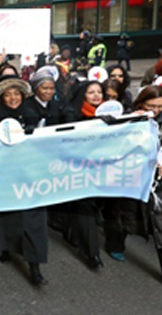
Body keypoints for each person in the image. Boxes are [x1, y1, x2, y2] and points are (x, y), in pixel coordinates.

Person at [103, 85, 162, 289]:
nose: (155, 110)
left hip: (160, 182)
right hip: (131, 178)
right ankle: (114, 244)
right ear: (140, 103)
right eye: (151, 106)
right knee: (124, 215)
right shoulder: (126, 118)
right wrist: (130, 122)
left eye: (160, 106)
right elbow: (110, 145)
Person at [0, 75, 48, 286]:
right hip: (4, 174)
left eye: (16, 94)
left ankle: (35, 267)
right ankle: (5, 248)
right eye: (8, 94)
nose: (13, 98)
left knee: (33, 219)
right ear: (2, 97)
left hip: (30, 174)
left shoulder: (31, 113)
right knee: (6, 216)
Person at [63, 81, 105, 269]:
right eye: (91, 92)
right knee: (85, 206)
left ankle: (73, 233)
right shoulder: (72, 114)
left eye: (99, 92)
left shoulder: (109, 114)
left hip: (99, 168)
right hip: (78, 168)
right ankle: (92, 253)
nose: (96, 95)